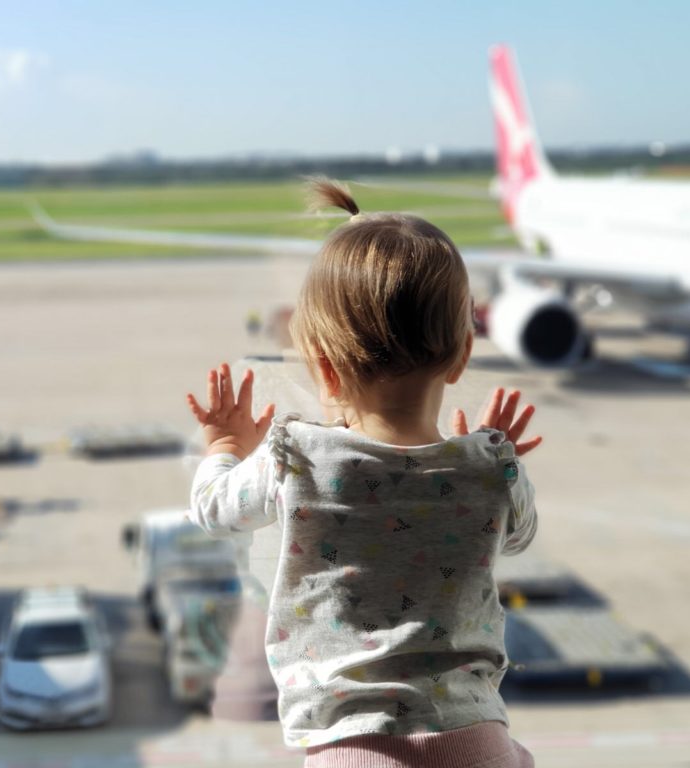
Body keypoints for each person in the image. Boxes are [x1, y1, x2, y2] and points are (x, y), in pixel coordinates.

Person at [185, 179, 540, 768]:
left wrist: (224, 445)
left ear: (324, 369)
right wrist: (494, 460)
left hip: (353, 747)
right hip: (479, 743)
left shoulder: (293, 457)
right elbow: (520, 533)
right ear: (461, 355)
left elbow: (214, 510)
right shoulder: (493, 467)